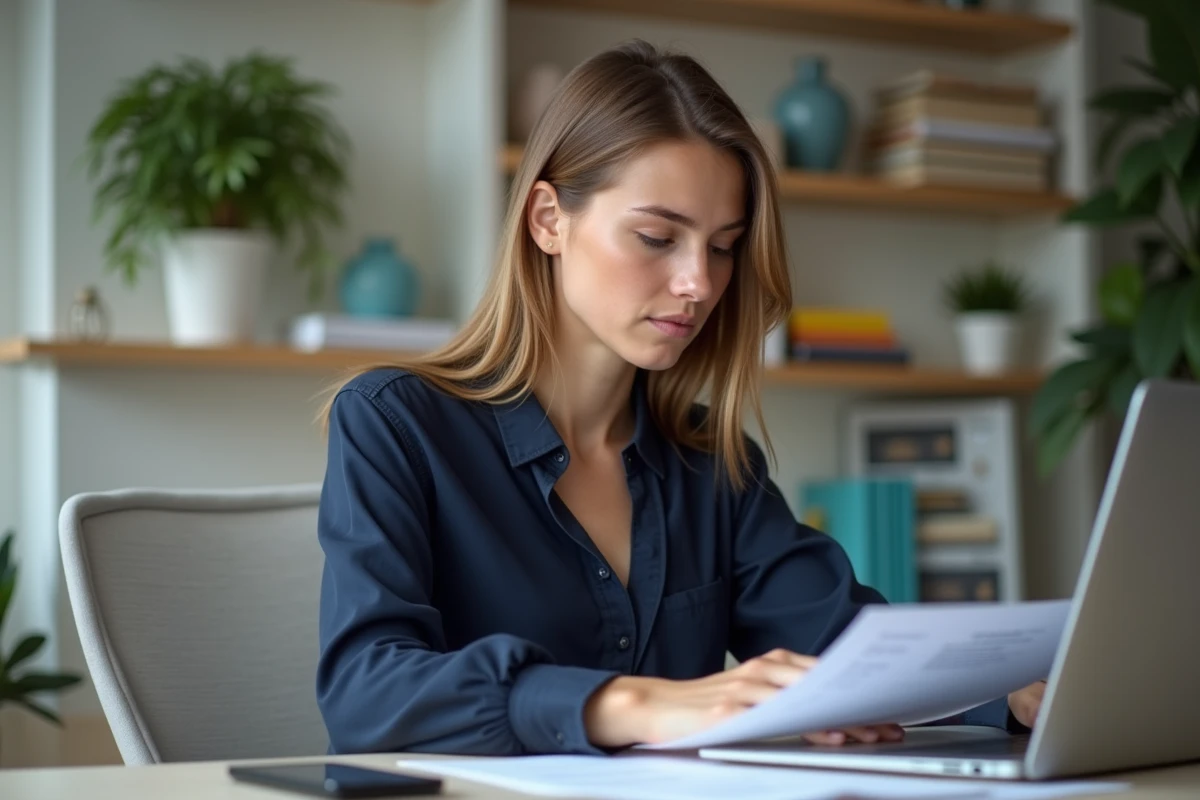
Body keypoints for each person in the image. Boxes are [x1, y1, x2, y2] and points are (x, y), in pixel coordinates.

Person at [315, 40, 1046, 756]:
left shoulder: (713, 465)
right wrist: (628, 702)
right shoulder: (396, 425)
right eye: (658, 236)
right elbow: (365, 690)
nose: (699, 282)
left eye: (723, 245)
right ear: (548, 220)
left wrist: (1013, 689)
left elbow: (847, 647)